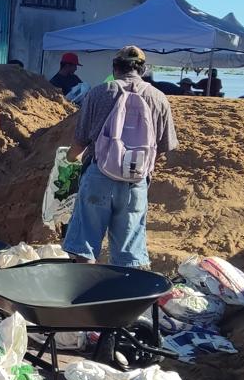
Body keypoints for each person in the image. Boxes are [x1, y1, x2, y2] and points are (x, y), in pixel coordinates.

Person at [61, 46, 178, 269]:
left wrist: (68, 159)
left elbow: (80, 140)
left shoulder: (98, 93)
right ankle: (120, 297)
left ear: (115, 68)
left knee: (85, 242)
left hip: (99, 176)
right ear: (142, 70)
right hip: (135, 180)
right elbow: (164, 146)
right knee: (129, 251)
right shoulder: (159, 98)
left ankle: (84, 294)